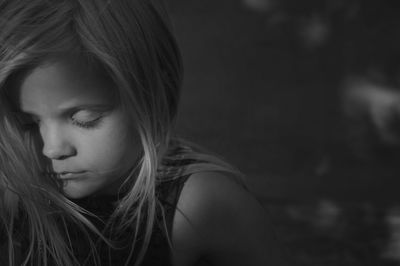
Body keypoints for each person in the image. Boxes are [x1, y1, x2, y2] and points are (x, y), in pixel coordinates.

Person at [0, 0, 287, 265]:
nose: (52, 149)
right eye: (26, 123)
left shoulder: (202, 203)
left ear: (153, 95)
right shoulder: (16, 193)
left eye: (85, 119)